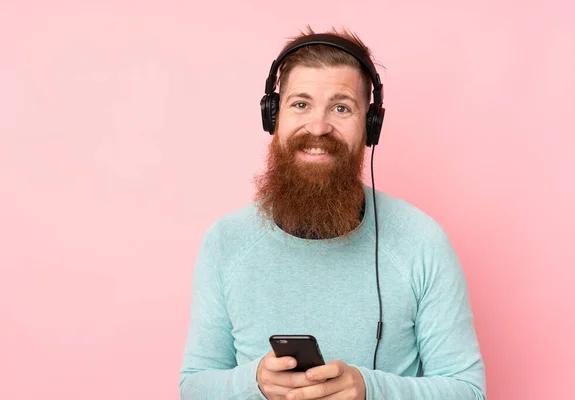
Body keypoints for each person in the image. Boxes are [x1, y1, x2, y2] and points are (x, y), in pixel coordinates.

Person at [179, 25, 486, 400]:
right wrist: (254, 382)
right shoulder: (225, 242)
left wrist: (369, 389)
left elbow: (468, 390)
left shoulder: (421, 241)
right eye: (300, 104)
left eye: (341, 107)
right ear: (273, 116)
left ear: (370, 126)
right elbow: (194, 385)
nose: (319, 127)